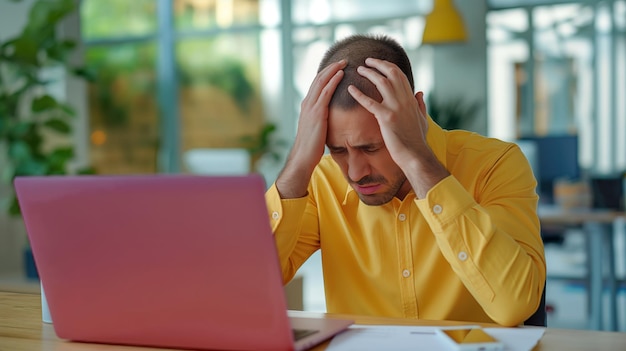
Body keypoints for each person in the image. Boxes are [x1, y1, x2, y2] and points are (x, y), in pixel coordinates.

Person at [265, 34, 545, 327]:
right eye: (337, 150)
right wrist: (297, 165)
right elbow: (245, 286)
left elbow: (515, 306)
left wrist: (419, 163)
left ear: (416, 112)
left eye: (371, 147)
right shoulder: (322, 182)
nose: (355, 173)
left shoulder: (495, 164)